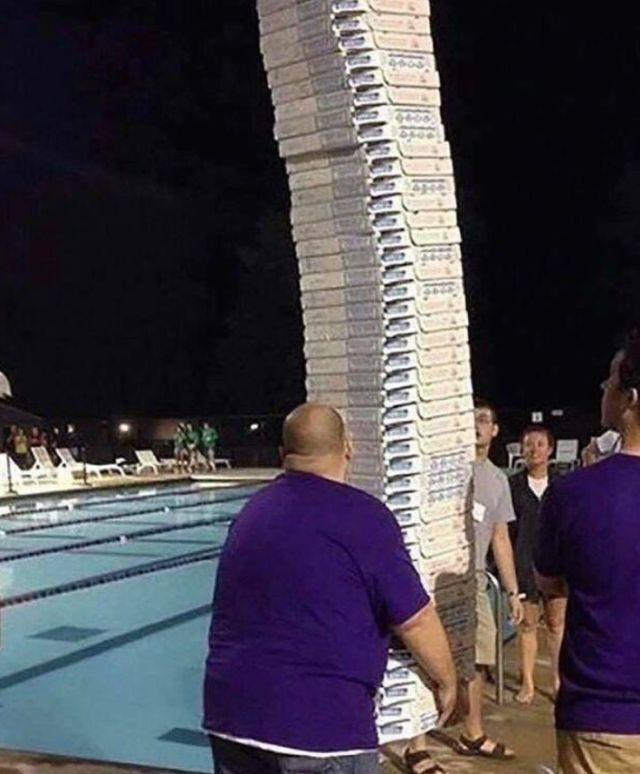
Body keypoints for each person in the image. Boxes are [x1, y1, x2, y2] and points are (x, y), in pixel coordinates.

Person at [203, 403, 458, 774]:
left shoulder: (251, 513)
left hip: (231, 715)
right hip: (320, 726)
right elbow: (415, 619)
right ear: (348, 448)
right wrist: (447, 679)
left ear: (283, 453)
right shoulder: (364, 518)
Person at [536, 332, 640, 773]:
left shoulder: (574, 494)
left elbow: (548, 580)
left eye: (610, 378)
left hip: (602, 716)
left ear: (630, 398)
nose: (603, 387)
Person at [456, 399, 523, 760]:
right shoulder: (451, 468)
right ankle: (417, 746)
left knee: (479, 656)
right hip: (438, 579)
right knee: (428, 658)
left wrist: (513, 591)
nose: (476, 425)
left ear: (494, 430)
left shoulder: (498, 480)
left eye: (483, 419)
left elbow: (500, 538)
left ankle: (473, 732)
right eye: (471, 418)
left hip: (476, 581)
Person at [509, 425, 566, 704]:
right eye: (528, 444)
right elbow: (507, 531)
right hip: (524, 566)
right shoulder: (513, 487)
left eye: (540, 444)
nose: (534, 450)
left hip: (556, 566)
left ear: (550, 449)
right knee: (528, 625)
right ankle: (528, 683)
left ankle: (558, 682)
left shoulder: (562, 486)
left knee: (556, 624)